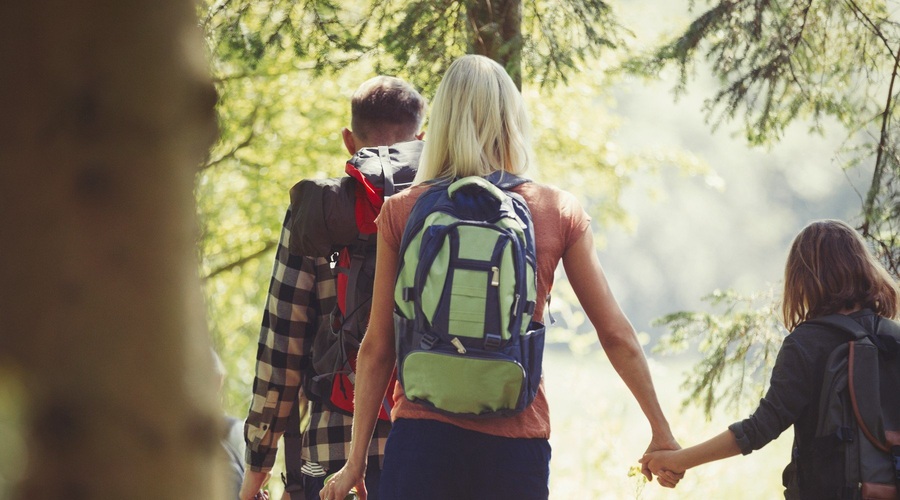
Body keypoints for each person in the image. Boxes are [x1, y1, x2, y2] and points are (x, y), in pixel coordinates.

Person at [320, 54, 681, 500]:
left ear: (441, 122)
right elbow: (615, 334)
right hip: (515, 448)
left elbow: (377, 346)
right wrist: (661, 431)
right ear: (512, 120)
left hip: (421, 443)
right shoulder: (556, 210)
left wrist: (355, 462)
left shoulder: (403, 209)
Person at [239, 75, 427, 500]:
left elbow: (280, 348)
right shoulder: (439, 209)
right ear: (422, 137)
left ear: (348, 139)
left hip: (331, 456)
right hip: (427, 444)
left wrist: (257, 468)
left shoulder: (318, 214)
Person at [640, 219, 900, 498]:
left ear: (804, 278)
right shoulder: (892, 336)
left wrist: (679, 460)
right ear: (862, 267)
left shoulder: (806, 343)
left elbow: (759, 428)